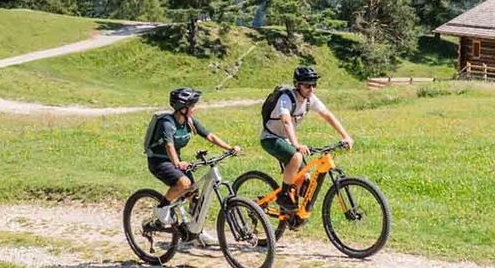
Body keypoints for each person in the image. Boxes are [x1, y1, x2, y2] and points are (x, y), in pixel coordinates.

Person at [145, 87, 241, 245]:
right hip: (159, 161)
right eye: (192, 106)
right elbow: (169, 145)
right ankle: (162, 207)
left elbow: (210, 136)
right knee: (184, 184)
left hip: (176, 161)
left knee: (194, 195)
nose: (194, 109)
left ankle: (196, 232)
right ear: (182, 108)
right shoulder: (167, 123)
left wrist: (229, 147)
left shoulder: (189, 121)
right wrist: (177, 163)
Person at [260, 65, 352, 214]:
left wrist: (345, 136)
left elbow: (327, 115)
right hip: (270, 138)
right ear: (298, 85)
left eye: (314, 84)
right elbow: (286, 121)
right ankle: (284, 195)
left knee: (305, 178)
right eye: (307, 85)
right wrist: (296, 144)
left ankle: (290, 214)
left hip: (285, 139)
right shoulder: (286, 98)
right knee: (297, 156)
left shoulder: (310, 99)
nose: (311, 89)